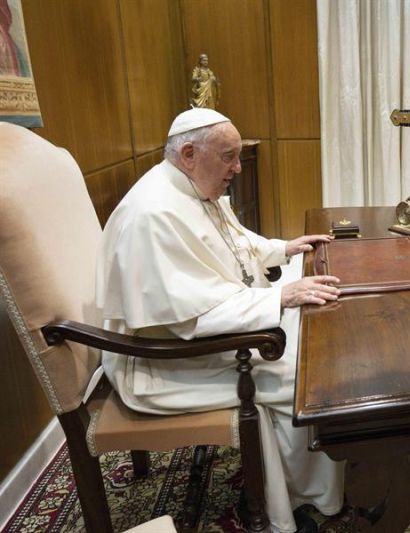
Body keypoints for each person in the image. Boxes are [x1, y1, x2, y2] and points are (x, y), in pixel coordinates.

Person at [96, 108, 343, 533]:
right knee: (310, 375)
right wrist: (279, 298)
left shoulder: (189, 189)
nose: (237, 167)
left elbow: (232, 242)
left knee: (316, 328)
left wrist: (283, 249)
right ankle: (305, 500)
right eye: (229, 156)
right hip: (162, 362)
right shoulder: (154, 214)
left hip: (198, 335)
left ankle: (317, 474)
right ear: (189, 153)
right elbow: (191, 318)